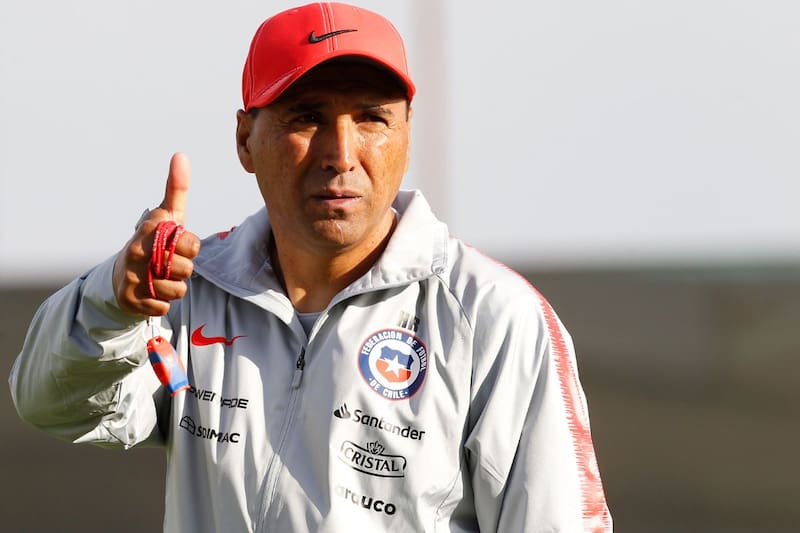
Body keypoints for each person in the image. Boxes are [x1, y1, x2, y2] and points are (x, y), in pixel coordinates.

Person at [9, 2, 612, 531]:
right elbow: (49, 404)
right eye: (306, 116)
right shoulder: (187, 290)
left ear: (406, 134)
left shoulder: (491, 316)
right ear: (245, 139)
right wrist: (111, 302)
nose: (341, 154)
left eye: (371, 118)